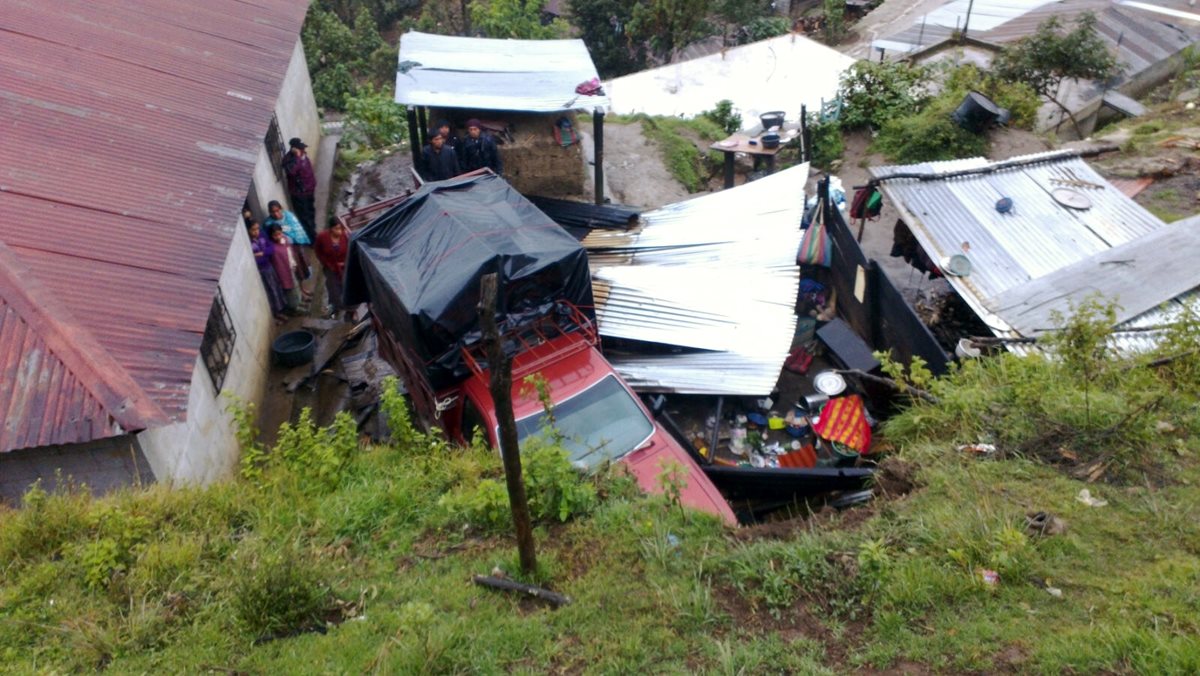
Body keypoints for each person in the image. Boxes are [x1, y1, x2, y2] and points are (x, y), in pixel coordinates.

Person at [247, 220, 287, 323]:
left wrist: (262, 253)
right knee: (271, 290)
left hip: (269, 266)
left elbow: (271, 248)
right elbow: (255, 259)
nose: (256, 232)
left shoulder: (262, 236)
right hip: (262, 270)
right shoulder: (248, 242)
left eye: (257, 229)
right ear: (248, 230)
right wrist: (263, 255)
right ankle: (277, 312)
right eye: (253, 230)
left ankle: (282, 308)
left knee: (276, 286)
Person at [268, 224, 311, 315]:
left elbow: (290, 253)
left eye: (279, 234)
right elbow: (277, 262)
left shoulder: (285, 240)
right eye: (275, 235)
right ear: (271, 236)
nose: (278, 236)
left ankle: (299, 302)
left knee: (295, 286)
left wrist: (294, 264)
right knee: (290, 291)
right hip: (283, 272)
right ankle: (295, 307)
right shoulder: (273, 248)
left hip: (291, 267)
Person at [282, 137, 317, 242]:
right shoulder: (289, 160)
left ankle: (313, 232)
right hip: (299, 194)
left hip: (309, 191)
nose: (302, 150)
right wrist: (297, 157)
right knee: (304, 217)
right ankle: (312, 239)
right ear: (294, 149)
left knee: (311, 212)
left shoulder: (303, 155)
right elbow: (291, 172)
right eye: (300, 149)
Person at [314, 220, 350, 318]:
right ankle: (336, 306)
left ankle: (350, 310)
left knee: (347, 287)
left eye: (341, 229)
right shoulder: (322, 237)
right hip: (331, 268)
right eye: (336, 229)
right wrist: (326, 263)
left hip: (345, 267)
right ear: (330, 229)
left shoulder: (346, 236)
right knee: (333, 289)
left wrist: (346, 262)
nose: (339, 231)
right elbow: (318, 251)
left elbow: (351, 251)